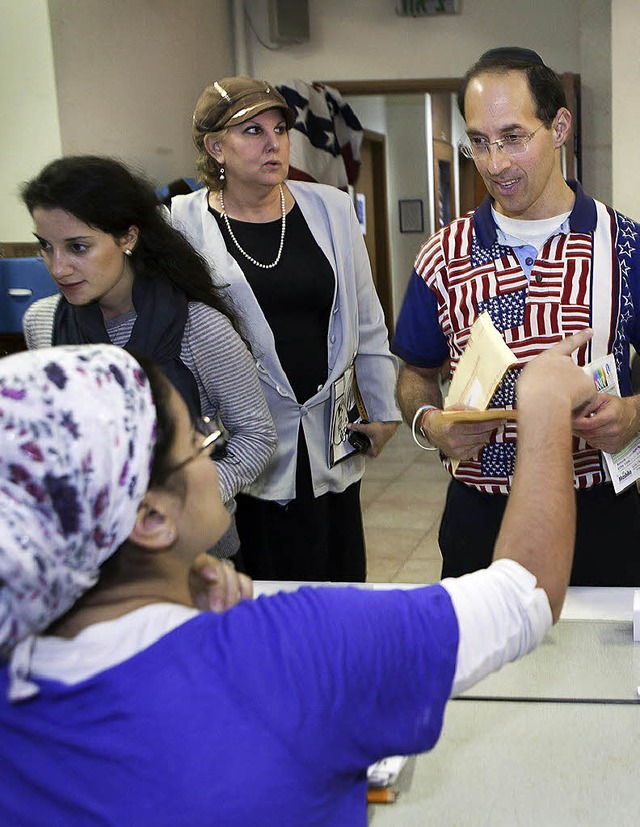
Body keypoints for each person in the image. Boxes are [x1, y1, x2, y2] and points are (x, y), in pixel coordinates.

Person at [0, 331, 596, 825]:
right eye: (197, 442)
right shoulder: (294, 651)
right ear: (152, 518)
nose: (212, 453)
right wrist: (542, 402)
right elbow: (525, 594)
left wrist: (170, 571)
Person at [392, 46, 640, 587]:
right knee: (487, 667)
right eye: (478, 142)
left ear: (559, 127)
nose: (495, 163)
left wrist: (635, 414)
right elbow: (415, 374)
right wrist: (428, 424)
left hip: (597, 510)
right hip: (479, 514)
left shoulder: (622, 246)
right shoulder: (444, 253)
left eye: (513, 137)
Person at [170, 76, 401, 582]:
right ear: (215, 147)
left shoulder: (332, 209)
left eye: (279, 129)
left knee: (337, 584)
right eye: (251, 131)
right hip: (244, 440)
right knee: (264, 591)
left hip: (330, 432)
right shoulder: (183, 226)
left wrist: (383, 411)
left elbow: (367, 319)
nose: (273, 143)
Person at [20, 155, 277, 563]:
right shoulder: (42, 324)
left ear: (128, 238)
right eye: (45, 247)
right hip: (95, 562)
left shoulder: (198, 327)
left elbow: (257, 438)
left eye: (78, 247)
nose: (58, 267)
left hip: (197, 556)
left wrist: (183, 500)